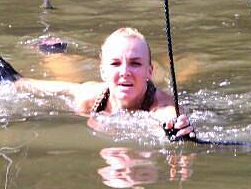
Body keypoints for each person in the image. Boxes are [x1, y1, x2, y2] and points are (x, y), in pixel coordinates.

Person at [16, 27, 195, 139]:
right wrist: (14, 80)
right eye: (116, 63)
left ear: (149, 71)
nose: (125, 71)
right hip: (90, 88)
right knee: (65, 73)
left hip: (155, 92)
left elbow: (168, 117)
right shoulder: (90, 98)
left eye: (135, 63)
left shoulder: (162, 105)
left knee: (178, 78)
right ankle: (55, 53)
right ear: (102, 71)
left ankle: (187, 59)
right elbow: (58, 88)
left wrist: (175, 128)